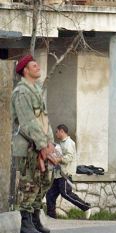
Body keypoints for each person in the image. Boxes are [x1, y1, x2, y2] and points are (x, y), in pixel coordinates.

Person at [11, 54, 54, 233]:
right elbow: (28, 122)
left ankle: (36, 218)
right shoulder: (21, 92)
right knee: (29, 184)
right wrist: (42, 145)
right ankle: (26, 223)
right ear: (25, 70)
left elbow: (43, 119)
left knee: (44, 182)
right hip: (28, 147)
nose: (38, 67)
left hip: (41, 144)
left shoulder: (35, 89)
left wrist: (49, 142)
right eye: (33, 66)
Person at [46, 124, 91, 220]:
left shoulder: (69, 143)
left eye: (57, 131)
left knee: (66, 193)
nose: (56, 133)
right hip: (58, 174)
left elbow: (69, 157)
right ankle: (51, 217)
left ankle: (86, 207)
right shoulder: (60, 143)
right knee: (50, 194)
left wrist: (58, 159)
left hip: (66, 174)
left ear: (62, 131)